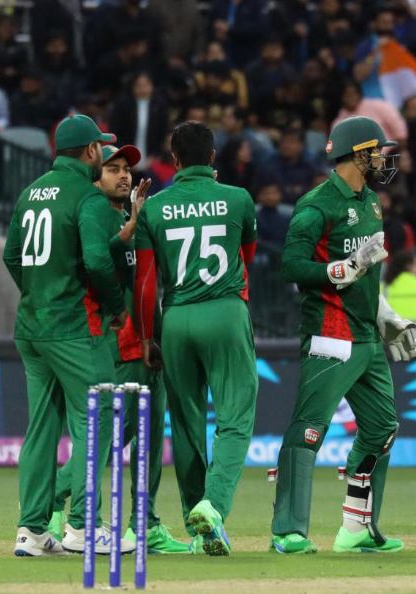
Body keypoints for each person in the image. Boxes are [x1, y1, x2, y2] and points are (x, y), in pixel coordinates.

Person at [271, 116, 416, 555]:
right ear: (357, 154)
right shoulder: (316, 205)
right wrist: (340, 269)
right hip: (330, 334)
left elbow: (367, 273)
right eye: (377, 151)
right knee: (309, 430)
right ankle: (288, 531)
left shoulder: (371, 202)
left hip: (367, 336)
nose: (382, 159)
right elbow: (291, 267)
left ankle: (356, 528)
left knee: (382, 428)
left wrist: (386, 314)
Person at [47, 144, 188, 554]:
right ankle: (52, 499)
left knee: (150, 437)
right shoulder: (94, 218)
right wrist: (127, 231)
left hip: (149, 339)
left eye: (127, 169)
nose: (124, 175)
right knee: (110, 438)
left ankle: (146, 523)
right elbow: (94, 265)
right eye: (113, 169)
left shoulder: (128, 218)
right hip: (119, 344)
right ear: (96, 177)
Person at [2, 114, 127, 556]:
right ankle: (83, 527)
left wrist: (39, 292)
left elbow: (12, 256)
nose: (103, 154)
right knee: (99, 415)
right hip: (74, 328)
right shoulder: (87, 197)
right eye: (101, 147)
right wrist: (116, 306)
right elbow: (97, 261)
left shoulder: (31, 191)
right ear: (91, 151)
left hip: (31, 328)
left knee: (41, 427)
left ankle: (32, 531)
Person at [133, 120, 258, 556]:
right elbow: (246, 257)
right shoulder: (238, 199)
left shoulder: (153, 208)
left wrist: (148, 337)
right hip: (225, 311)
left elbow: (146, 282)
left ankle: (199, 527)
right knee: (235, 418)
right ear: (213, 157)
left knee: (186, 427)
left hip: (176, 319)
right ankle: (214, 505)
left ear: (174, 160)